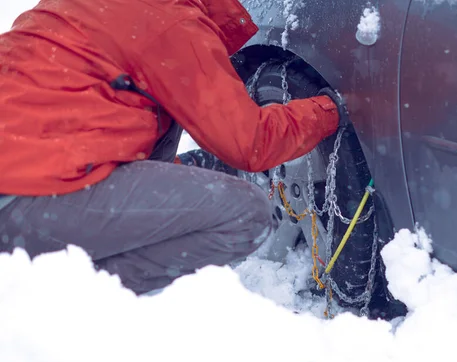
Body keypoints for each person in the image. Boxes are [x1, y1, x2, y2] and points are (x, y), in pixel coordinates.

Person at [0, 0, 349, 295]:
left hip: (23, 176)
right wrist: (331, 110)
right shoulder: (169, 20)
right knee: (245, 216)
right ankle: (65, 298)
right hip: (24, 200)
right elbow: (251, 144)